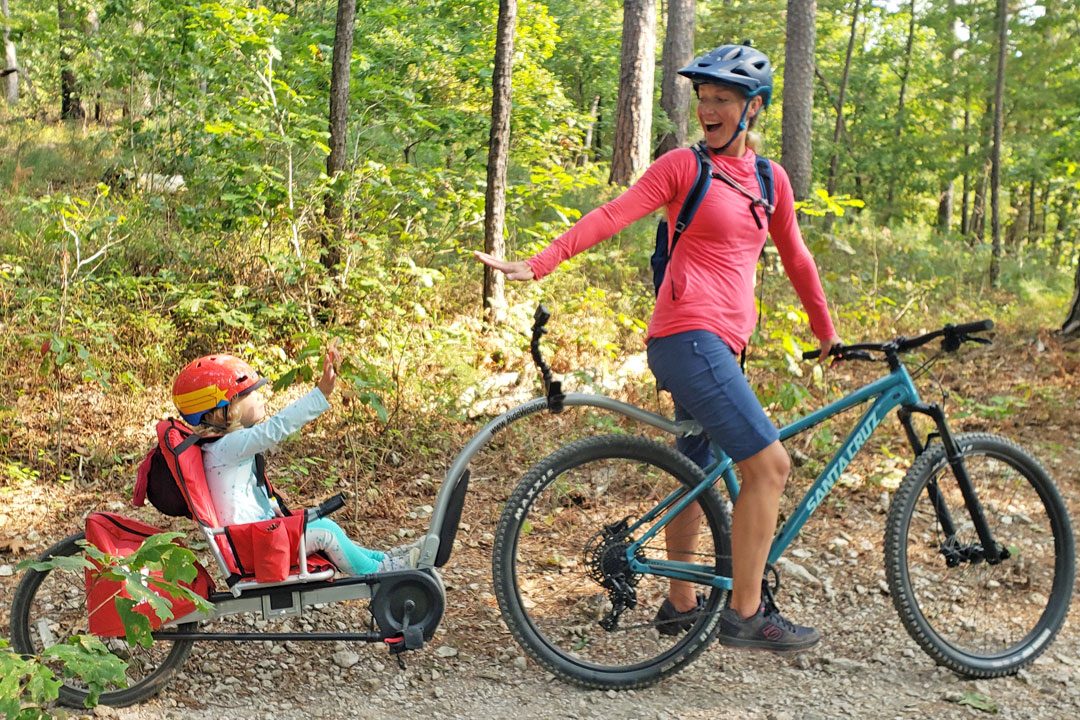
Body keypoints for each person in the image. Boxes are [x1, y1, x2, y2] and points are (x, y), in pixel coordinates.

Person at [475, 44, 840, 651]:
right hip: (688, 338)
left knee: (695, 466)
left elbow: (797, 258)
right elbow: (612, 215)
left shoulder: (770, 180)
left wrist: (825, 330)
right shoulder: (683, 167)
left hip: (722, 345)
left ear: (753, 108)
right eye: (703, 98)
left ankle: (680, 604)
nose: (708, 110)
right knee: (770, 466)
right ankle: (747, 613)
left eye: (722, 99)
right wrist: (539, 263)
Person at [170, 347, 419, 576]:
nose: (260, 397)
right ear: (224, 408)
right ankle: (381, 572)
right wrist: (321, 394)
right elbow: (276, 428)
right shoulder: (228, 446)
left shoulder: (219, 447)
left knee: (323, 525)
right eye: (249, 394)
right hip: (257, 547)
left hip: (256, 539)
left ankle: (383, 559)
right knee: (326, 532)